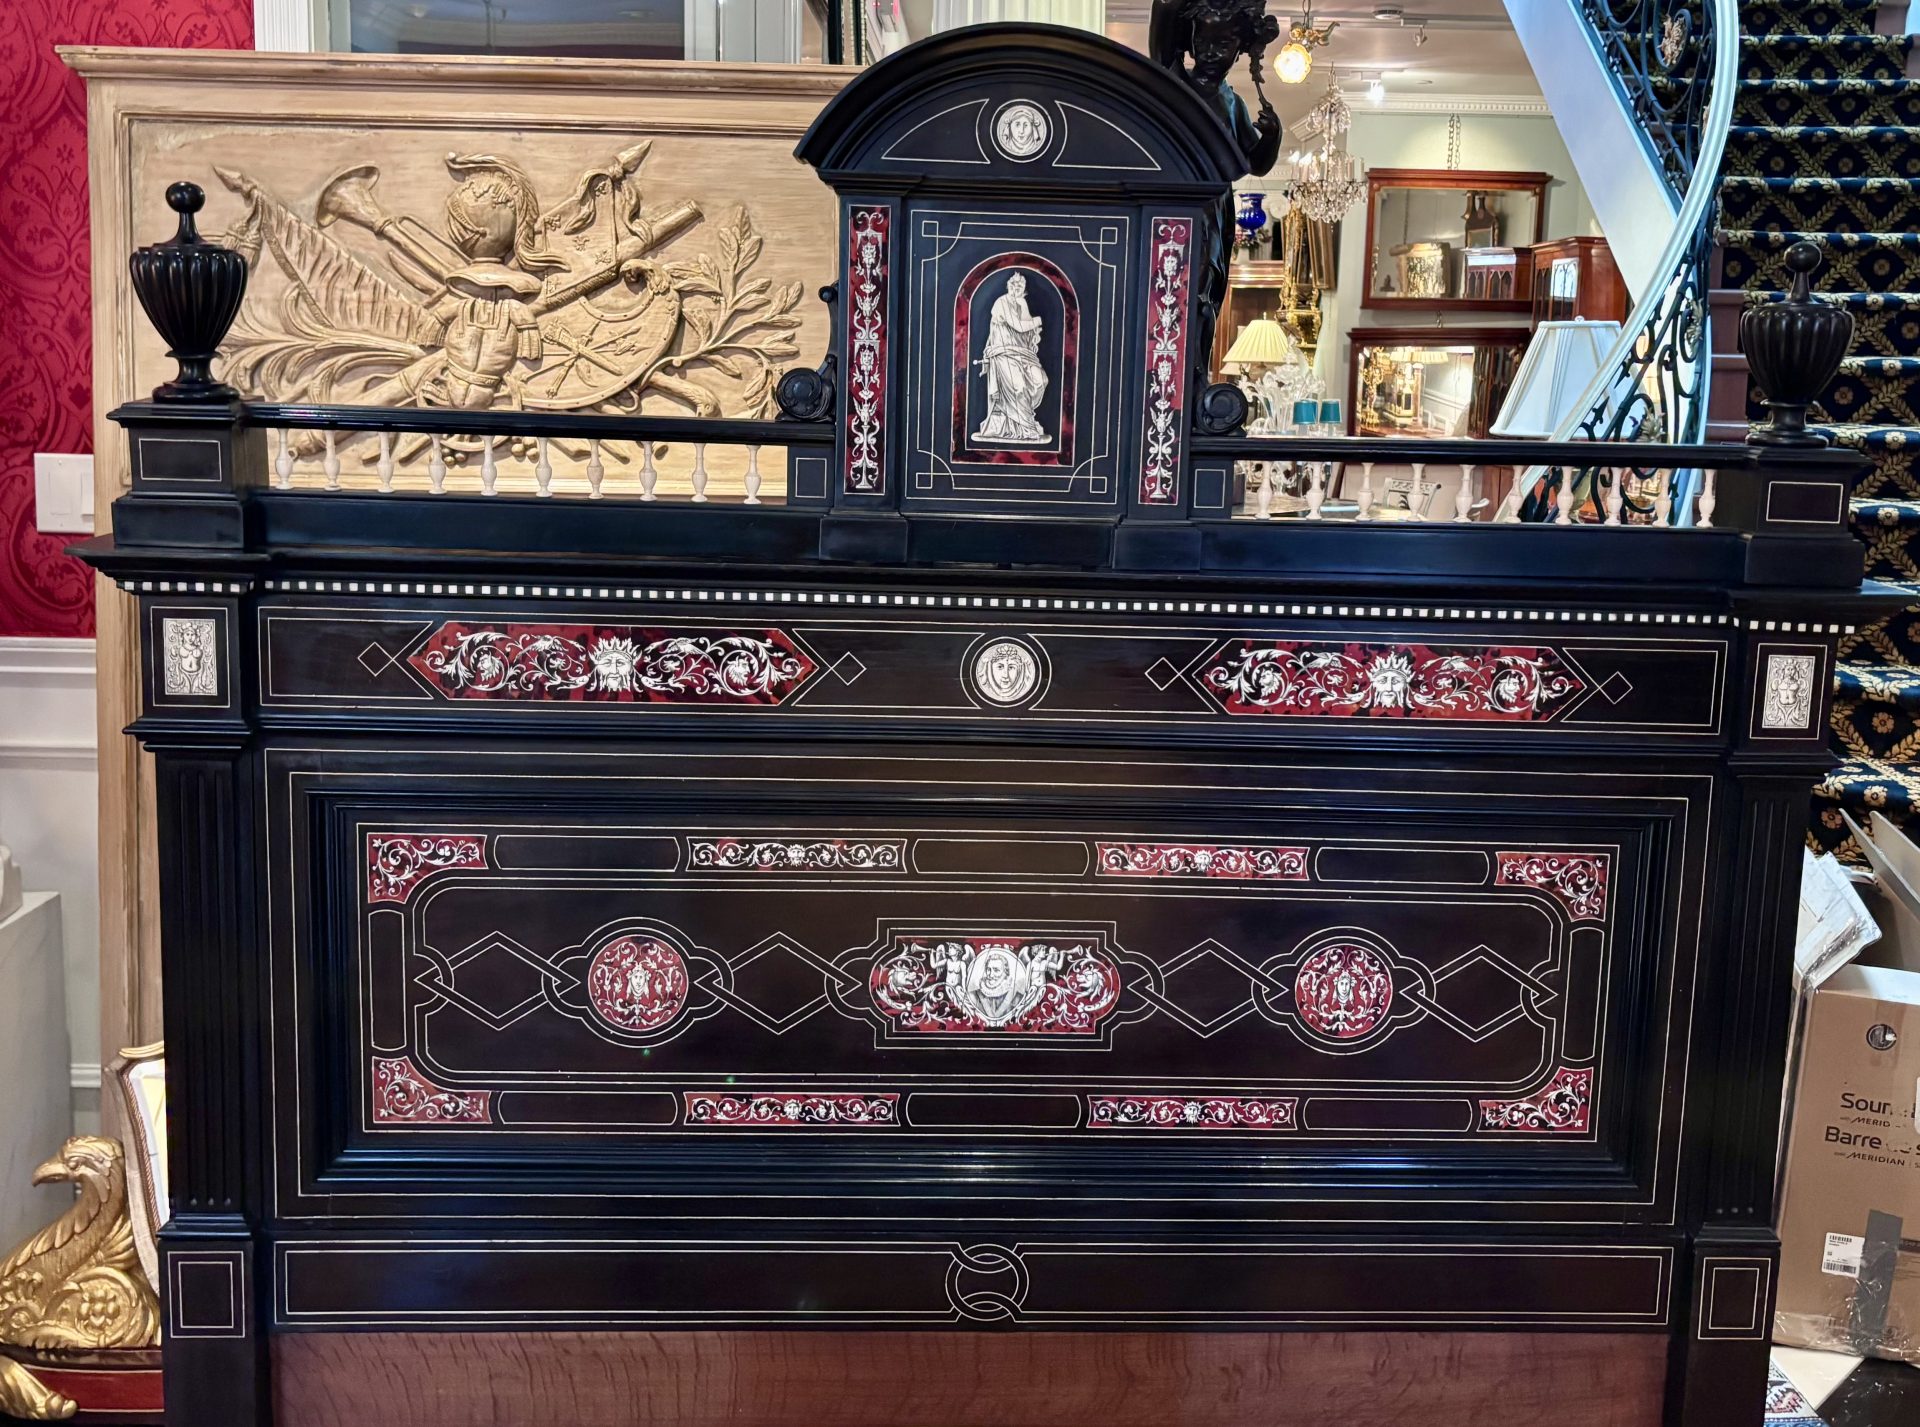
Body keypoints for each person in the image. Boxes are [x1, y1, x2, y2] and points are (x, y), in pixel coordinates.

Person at [972, 272, 1050, 443]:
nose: (1016, 289)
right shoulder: (1001, 303)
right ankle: (1026, 427)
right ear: (1008, 286)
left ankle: (1025, 416)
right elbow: (1019, 326)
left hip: (1022, 353)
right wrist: (1038, 321)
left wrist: (1032, 323)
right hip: (1003, 352)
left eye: (1020, 286)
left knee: (1040, 381)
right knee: (1019, 387)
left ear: (1024, 289)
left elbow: (1027, 330)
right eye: (1013, 285)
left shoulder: (1022, 302)